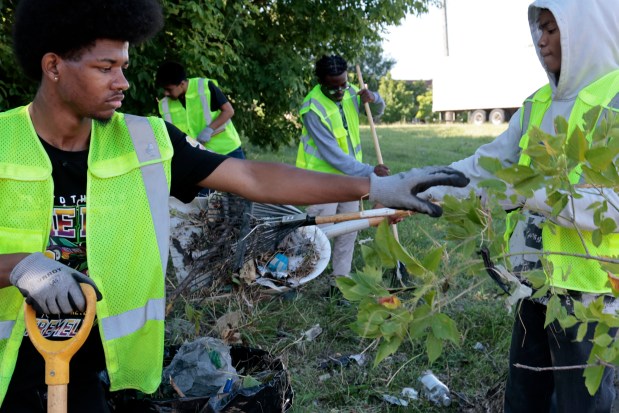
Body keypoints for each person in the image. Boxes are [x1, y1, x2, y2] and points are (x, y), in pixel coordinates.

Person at [0, 0, 469, 411]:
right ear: (54, 66)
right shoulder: (3, 141)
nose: (123, 81)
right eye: (106, 68)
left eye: (124, 65)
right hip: (7, 369)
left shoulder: (145, 141)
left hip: (98, 368)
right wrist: (21, 266)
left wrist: (370, 187)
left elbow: (250, 176)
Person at [419, 1, 619, 411]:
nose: (541, 41)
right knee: (524, 396)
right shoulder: (536, 106)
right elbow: (484, 167)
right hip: (534, 284)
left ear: (584, 32)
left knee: (581, 404)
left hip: (591, 298)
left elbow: (612, 206)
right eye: (539, 30)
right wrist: (423, 186)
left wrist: (526, 193)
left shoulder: (615, 104)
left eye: (552, 28)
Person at [296, 55, 390, 282]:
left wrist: (374, 97)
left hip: (350, 178)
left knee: (349, 230)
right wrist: (370, 171)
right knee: (315, 233)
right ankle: (294, 275)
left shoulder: (350, 92)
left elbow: (376, 112)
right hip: (322, 181)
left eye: (343, 84)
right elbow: (333, 155)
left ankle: (340, 281)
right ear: (320, 82)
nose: (340, 91)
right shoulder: (312, 108)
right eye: (333, 87)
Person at [155, 61, 245, 157]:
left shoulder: (204, 86)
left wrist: (209, 130)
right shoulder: (164, 105)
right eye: (164, 89)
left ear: (181, 84)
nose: (166, 93)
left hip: (227, 149)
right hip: (199, 157)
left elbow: (228, 111)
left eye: (169, 89)